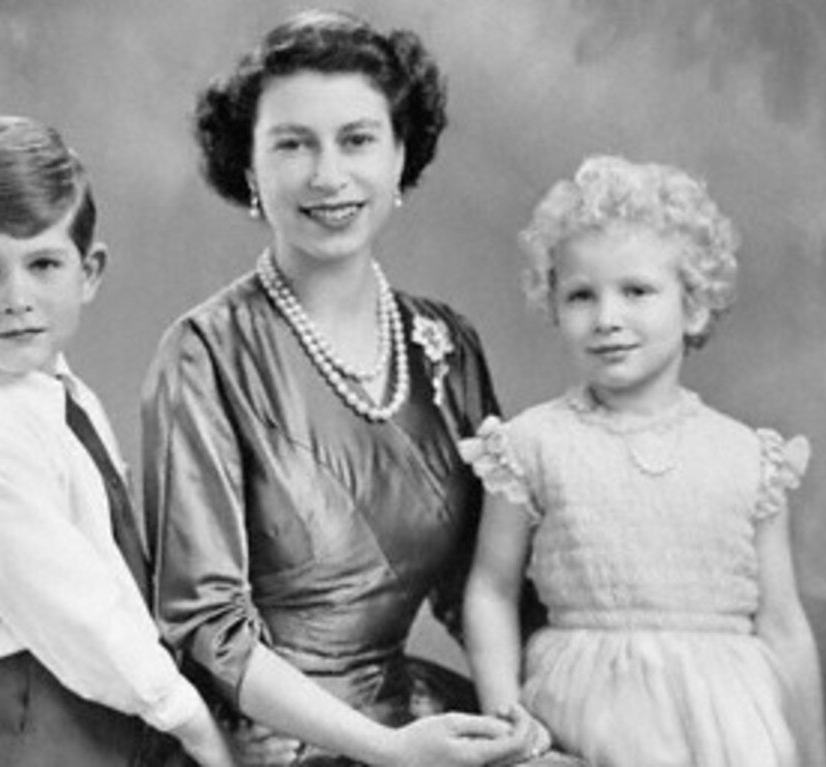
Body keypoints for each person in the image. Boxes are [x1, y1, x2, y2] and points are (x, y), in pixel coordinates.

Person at [141, 10, 547, 767]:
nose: (328, 176)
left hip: (417, 719)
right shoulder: (204, 352)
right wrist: (388, 751)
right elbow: (209, 630)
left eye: (357, 140)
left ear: (401, 159)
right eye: (292, 144)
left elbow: (479, 587)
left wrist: (517, 722)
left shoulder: (446, 346)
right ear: (249, 168)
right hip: (258, 739)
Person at [459, 154, 826, 766]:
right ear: (553, 304)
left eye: (636, 291)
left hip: (726, 726)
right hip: (584, 718)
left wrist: (815, 759)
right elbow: (491, 591)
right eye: (581, 295)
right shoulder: (532, 445)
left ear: (695, 305)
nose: (608, 319)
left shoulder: (747, 458)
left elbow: (784, 625)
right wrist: (510, 734)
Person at [0, 115, 235, 767]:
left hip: (88, 703)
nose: (17, 298)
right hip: (13, 725)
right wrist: (190, 719)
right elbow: (75, 609)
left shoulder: (56, 394)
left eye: (43, 263)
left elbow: (107, 567)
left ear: (90, 270)